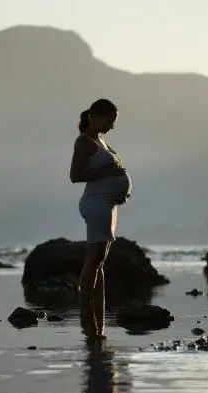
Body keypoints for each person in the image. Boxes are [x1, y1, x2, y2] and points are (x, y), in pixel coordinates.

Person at [69, 98, 132, 336]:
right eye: (110, 120)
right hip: (96, 205)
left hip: (107, 205)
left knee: (100, 261)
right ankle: (87, 315)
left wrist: (121, 191)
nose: (112, 126)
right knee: (94, 259)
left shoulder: (101, 140)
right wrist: (105, 173)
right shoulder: (83, 141)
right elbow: (75, 175)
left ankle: (99, 315)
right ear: (95, 115)